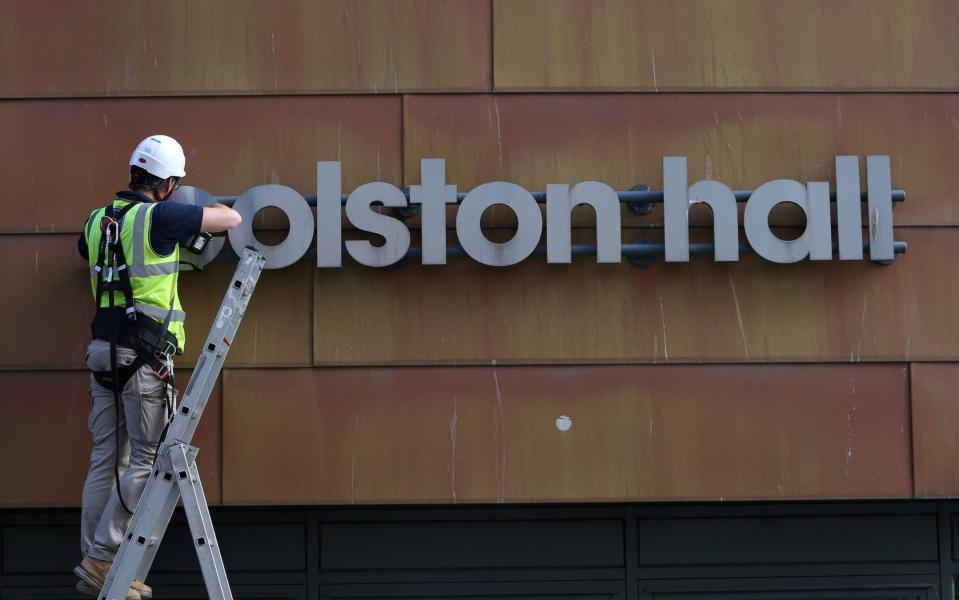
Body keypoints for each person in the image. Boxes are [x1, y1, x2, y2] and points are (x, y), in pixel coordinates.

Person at [74, 135, 242, 599]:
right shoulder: (160, 215)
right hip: (144, 357)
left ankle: (95, 561)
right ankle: (105, 558)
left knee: (107, 458)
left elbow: (89, 257)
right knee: (148, 460)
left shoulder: (96, 221)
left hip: (102, 351)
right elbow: (230, 218)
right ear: (167, 183)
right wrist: (193, 215)